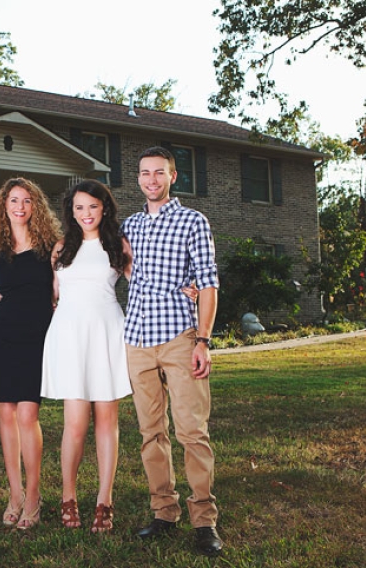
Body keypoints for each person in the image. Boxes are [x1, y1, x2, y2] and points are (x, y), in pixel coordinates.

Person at [122, 146, 223, 556]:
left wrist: (203, 339)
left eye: (158, 173)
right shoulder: (129, 224)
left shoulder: (193, 221)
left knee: (192, 431)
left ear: (173, 176)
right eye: (145, 173)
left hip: (180, 337)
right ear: (139, 179)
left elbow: (209, 282)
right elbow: (127, 268)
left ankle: (205, 521)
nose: (151, 180)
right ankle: (163, 511)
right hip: (137, 339)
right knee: (151, 433)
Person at [40, 180, 132, 533]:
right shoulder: (61, 248)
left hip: (107, 331)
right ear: (71, 211)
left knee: (107, 421)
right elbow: (51, 295)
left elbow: (143, 285)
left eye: (92, 206)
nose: (86, 213)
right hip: (69, 335)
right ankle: (69, 498)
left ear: (104, 208)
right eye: (79, 208)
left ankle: (104, 501)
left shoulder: (118, 246)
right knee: (75, 424)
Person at [0, 177, 61, 530]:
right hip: (1, 335)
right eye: (13, 200)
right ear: (4, 205)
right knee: (6, 414)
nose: (20, 206)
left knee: (28, 416)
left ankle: (33, 495)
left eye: (27, 200)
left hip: (36, 336)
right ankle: (14, 494)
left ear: (35, 206)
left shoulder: (51, 247)